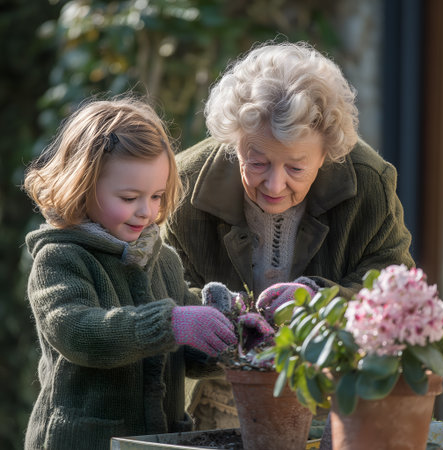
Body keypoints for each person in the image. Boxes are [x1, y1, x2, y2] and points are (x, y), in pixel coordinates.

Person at [161, 41, 414, 444]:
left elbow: (393, 284)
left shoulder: (369, 181)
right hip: (219, 400)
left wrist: (319, 301)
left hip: (331, 394)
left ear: (326, 154)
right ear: (233, 143)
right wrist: (228, 322)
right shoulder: (184, 185)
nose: (274, 185)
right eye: (257, 162)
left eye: (296, 166)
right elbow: (168, 294)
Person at [22, 96, 237, 450]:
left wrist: (234, 328)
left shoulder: (163, 259)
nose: (146, 211)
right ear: (82, 185)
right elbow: (78, 333)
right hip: (84, 440)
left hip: (161, 439)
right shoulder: (61, 258)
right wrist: (171, 323)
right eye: (128, 197)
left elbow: (186, 353)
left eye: (156, 196)